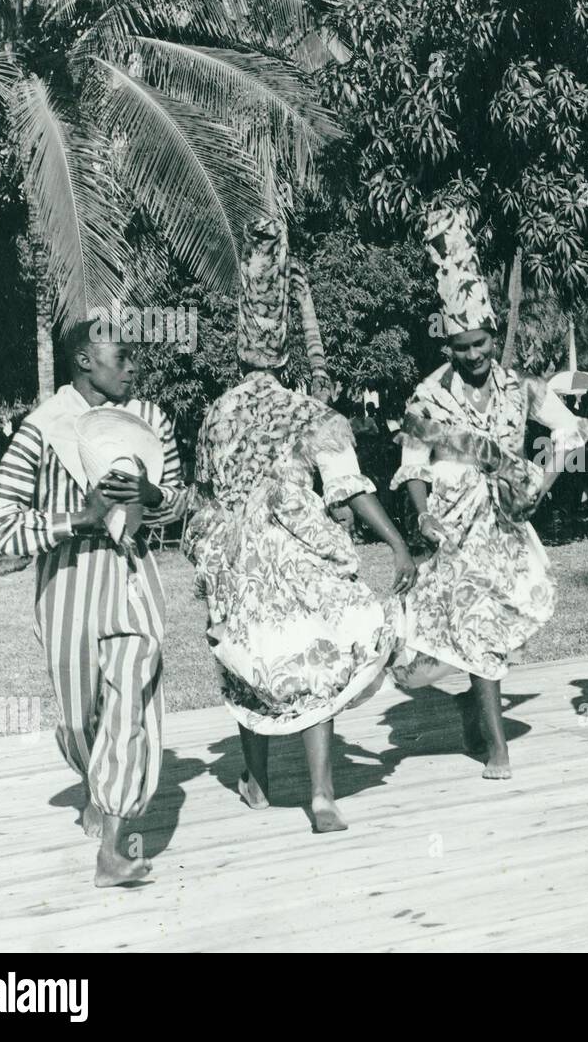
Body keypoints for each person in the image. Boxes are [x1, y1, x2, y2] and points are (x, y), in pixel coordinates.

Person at [184, 218, 416, 833]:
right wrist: (396, 543)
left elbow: (201, 501)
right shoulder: (305, 411)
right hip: (295, 555)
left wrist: (211, 565)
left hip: (236, 557)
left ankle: (257, 782)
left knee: (248, 659)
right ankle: (320, 795)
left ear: (238, 343)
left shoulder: (217, 413)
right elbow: (348, 488)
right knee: (314, 656)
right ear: (286, 348)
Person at [391, 207, 588, 779]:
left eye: (479, 344)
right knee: (472, 633)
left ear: (490, 337)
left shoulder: (521, 388)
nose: (473, 356)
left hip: (506, 526)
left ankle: (478, 713)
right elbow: (412, 466)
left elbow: (573, 432)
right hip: (455, 532)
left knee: (494, 631)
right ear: (448, 345)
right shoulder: (427, 398)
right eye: (460, 348)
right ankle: (498, 747)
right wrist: (424, 516)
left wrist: (540, 482)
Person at [0, 325, 187, 886]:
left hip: (132, 576)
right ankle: (97, 780)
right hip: (68, 581)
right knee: (81, 718)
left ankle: (114, 847)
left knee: (132, 698)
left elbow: (178, 503)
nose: (132, 369)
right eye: (121, 358)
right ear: (83, 359)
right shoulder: (42, 429)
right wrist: (79, 518)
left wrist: (152, 497)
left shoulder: (150, 420)